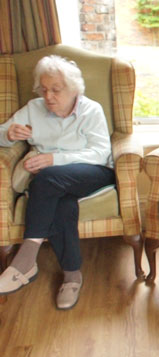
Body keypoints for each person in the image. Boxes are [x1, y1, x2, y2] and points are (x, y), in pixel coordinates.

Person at [0, 55, 114, 310]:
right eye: (44, 89)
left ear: (73, 89)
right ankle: (72, 276)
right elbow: (2, 132)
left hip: (93, 172)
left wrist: (54, 159)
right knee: (61, 200)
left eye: (55, 90)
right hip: (53, 182)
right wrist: (7, 134)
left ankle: (25, 261)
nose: (48, 96)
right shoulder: (33, 108)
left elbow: (100, 153)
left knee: (46, 179)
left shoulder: (91, 110)